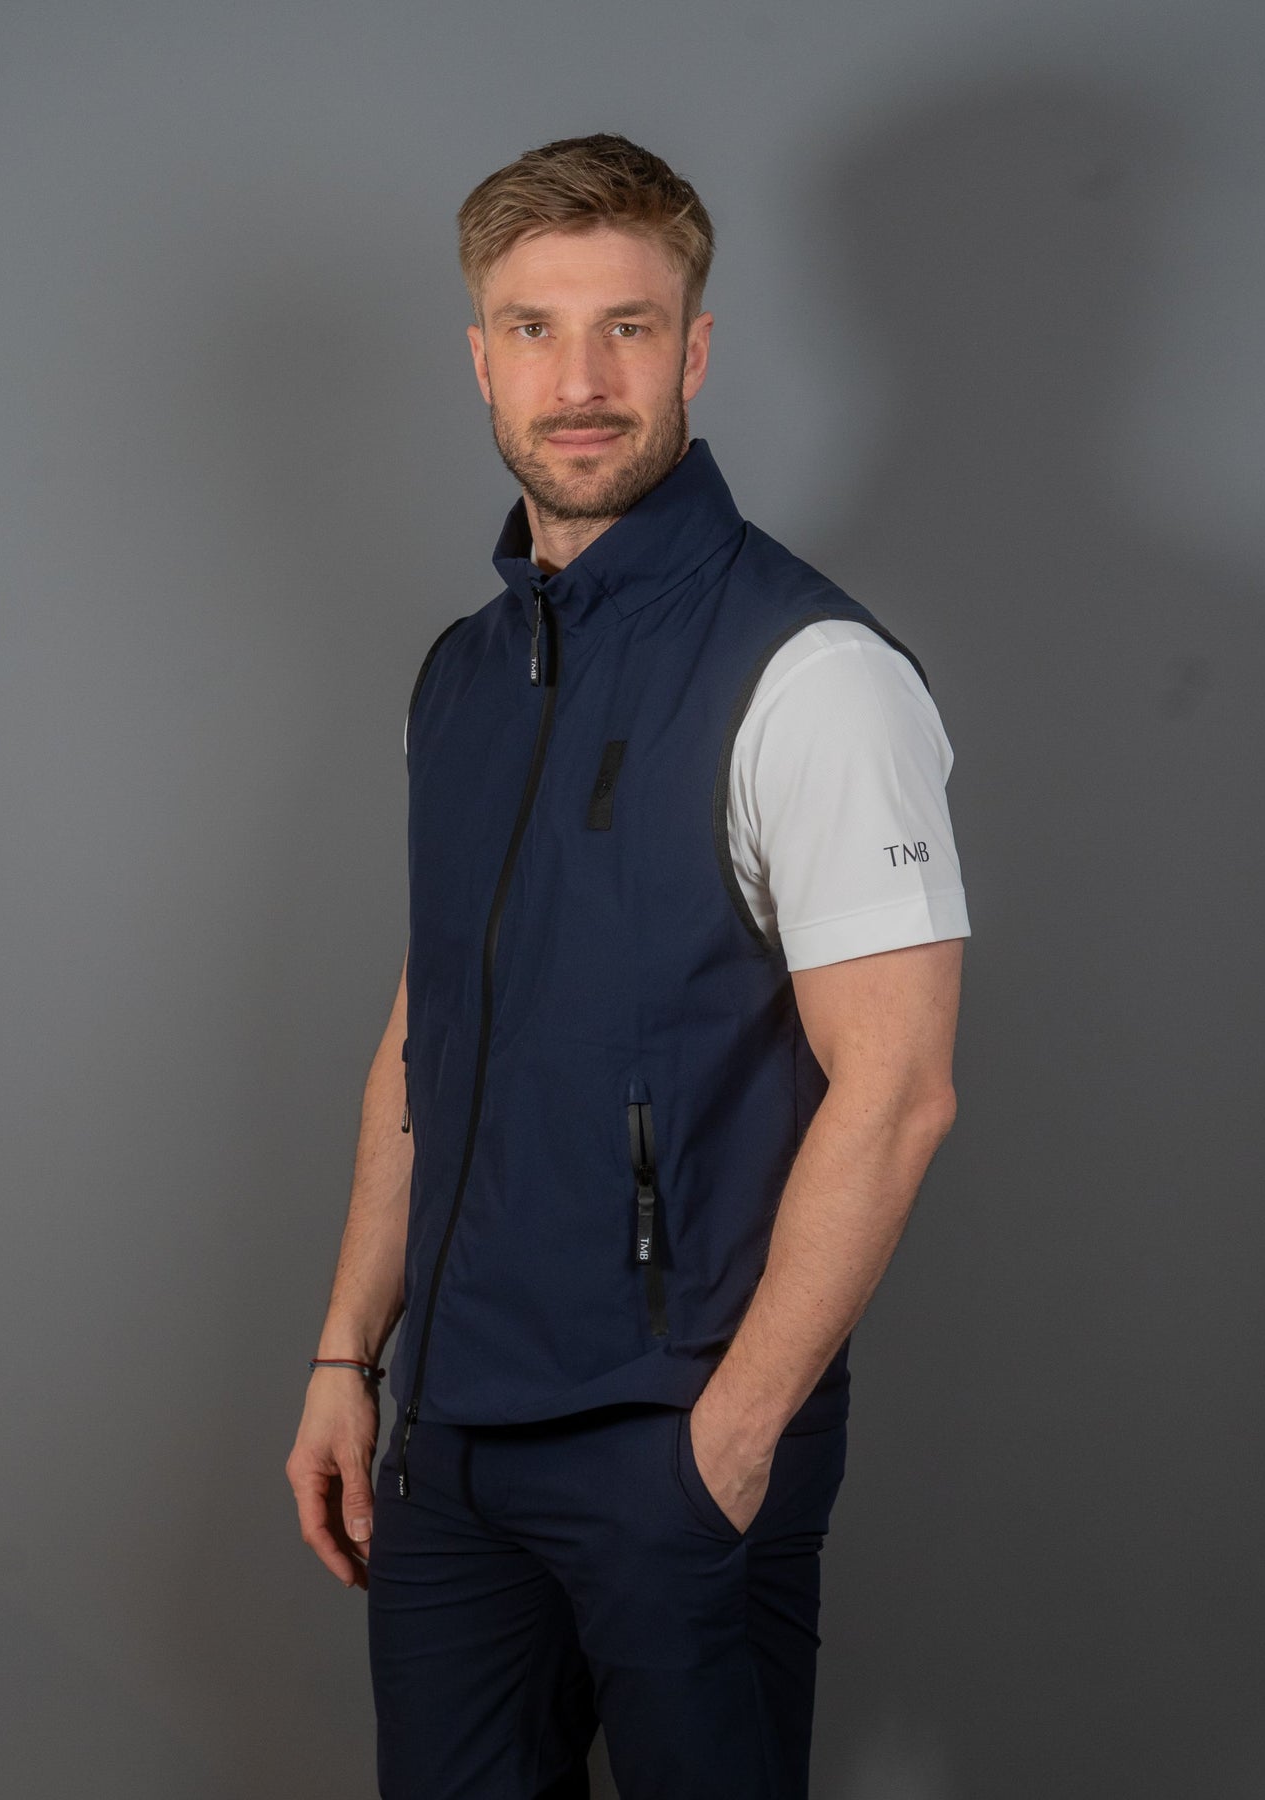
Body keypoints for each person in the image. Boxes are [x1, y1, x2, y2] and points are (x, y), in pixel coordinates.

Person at [286, 132, 968, 1799]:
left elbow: (896, 1093)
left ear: (694, 349)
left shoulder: (809, 670)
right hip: (452, 1445)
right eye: (534, 329)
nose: (579, 381)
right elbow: (430, 1022)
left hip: (674, 1443)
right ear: (480, 357)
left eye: (628, 328)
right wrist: (347, 1354)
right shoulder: (463, 676)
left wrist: (725, 1443)